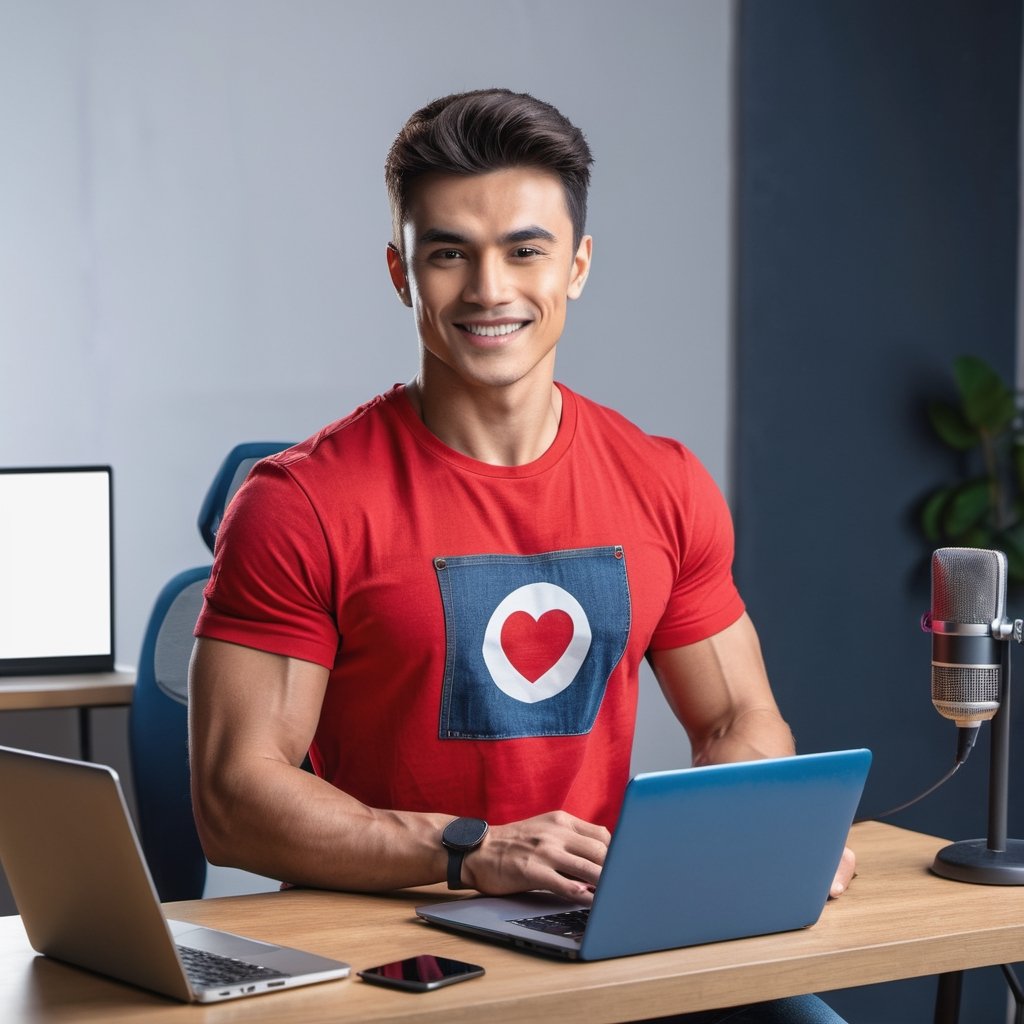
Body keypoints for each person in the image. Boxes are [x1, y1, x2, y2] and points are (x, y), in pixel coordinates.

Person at [188, 88, 855, 1024]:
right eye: (449, 253)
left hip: (592, 938)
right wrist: (469, 849)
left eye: (525, 250)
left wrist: (758, 839)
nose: (490, 290)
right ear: (401, 273)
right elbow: (236, 797)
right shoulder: (299, 503)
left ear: (576, 266)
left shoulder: (663, 483)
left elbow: (740, 716)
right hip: (390, 957)